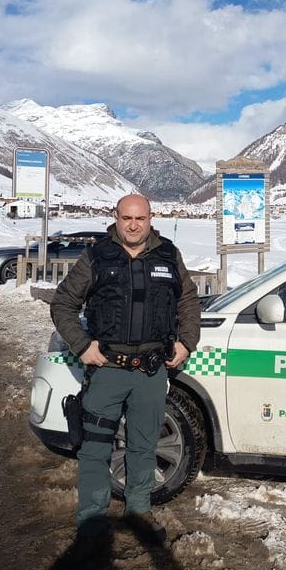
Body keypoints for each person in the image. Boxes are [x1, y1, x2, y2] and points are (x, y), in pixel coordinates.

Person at [50, 193, 200, 544]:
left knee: (144, 445)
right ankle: (92, 522)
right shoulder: (97, 256)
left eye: (140, 219)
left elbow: (188, 302)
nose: (133, 225)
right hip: (108, 370)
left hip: (150, 371)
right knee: (94, 447)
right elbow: (63, 304)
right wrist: (82, 346)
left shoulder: (168, 255)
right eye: (127, 218)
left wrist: (186, 341)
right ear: (116, 217)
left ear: (150, 219)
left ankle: (138, 510)